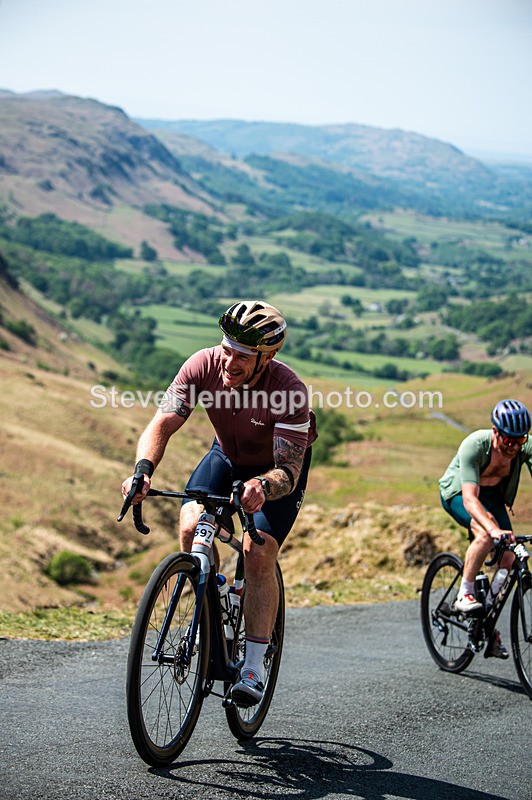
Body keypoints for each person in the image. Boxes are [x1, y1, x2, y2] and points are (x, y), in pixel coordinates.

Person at [121, 300, 316, 707]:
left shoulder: (288, 390)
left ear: (268, 356)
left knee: (257, 551)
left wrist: (263, 485)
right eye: (227, 349)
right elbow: (164, 421)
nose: (229, 362)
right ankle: (211, 601)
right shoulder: (202, 365)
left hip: (274, 471)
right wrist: (142, 470)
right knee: (192, 526)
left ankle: (254, 665)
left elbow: (288, 471)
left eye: (243, 356)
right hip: (226, 455)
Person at [439, 398, 532, 658]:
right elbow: (470, 498)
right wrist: (492, 529)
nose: (513, 446)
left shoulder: (525, 447)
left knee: (510, 556)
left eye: (520, 440)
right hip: (458, 492)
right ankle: (464, 594)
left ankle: (487, 621)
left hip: (492, 496)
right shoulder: (474, 445)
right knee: (484, 535)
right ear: (495, 431)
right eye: (508, 440)